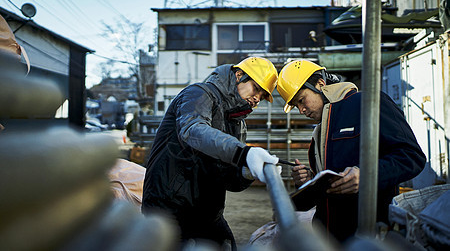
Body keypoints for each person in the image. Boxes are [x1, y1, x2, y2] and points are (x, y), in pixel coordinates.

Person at [277, 59, 426, 242]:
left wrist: (366, 177)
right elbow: (334, 175)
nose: (301, 110)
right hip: (329, 236)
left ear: (320, 84)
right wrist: (312, 179)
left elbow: (412, 156)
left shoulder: (368, 102)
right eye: (296, 106)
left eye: (301, 100)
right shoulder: (321, 128)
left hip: (367, 235)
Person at [142, 57, 280, 250]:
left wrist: (247, 172)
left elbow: (229, 179)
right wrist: (242, 153)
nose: (257, 98)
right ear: (238, 75)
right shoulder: (199, 93)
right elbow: (193, 130)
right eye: (256, 88)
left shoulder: (236, 123)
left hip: (206, 212)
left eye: (263, 96)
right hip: (168, 209)